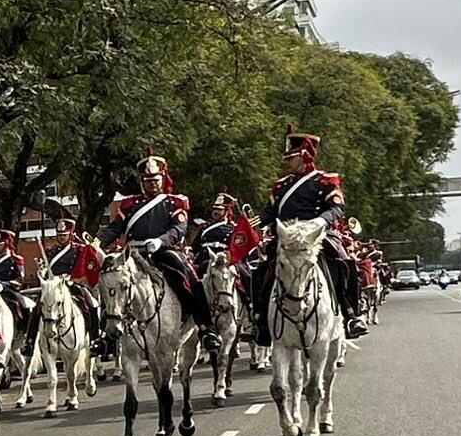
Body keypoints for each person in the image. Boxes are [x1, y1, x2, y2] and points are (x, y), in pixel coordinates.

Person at [248, 126, 369, 343]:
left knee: (344, 262)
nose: (287, 162)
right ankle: (260, 321)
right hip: (287, 238)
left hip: (317, 235)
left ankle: (352, 314)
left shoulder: (325, 181)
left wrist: (320, 221)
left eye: (291, 157)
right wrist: (250, 226)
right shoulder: (281, 186)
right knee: (261, 272)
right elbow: (269, 213)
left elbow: (336, 208)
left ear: (304, 156)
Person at [100, 153, 218, 352]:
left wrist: (160, 241)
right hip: (133, 253)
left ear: (163, 179)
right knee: (110, 280)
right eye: (148, 181)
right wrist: (97, 243)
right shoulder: (129, 205)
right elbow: (115, 228)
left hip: (164, 250)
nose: (152, 184)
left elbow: (179, 228)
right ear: (141, 182)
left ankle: (205, 328)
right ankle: (106, 334)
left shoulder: (174, 202)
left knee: (189, 276)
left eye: (156, 180)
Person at [38, 211, 105, 340]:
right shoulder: (51, 252)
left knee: (92, 304)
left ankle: (94, 337)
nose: (61, 237)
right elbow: (45, 270)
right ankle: (30, 340)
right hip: (53, 285)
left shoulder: (79, 249)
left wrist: (80, 279)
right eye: (59, 234)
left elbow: (88, 267)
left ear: (70, 234)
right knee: (37, 307)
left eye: (64, 234)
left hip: (72, 283)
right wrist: (42, 273)